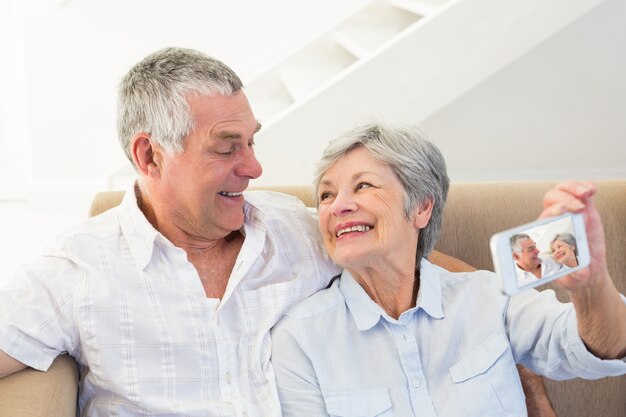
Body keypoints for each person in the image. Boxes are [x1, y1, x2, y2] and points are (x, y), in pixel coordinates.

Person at [0, 47, 555, 416]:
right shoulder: (76, 269)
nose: (254, 168)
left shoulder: (296, 230)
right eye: (226, 147)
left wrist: (524, 373)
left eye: (252, 141)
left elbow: (423, 273)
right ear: (149, 154)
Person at [270, 123, 626, 416]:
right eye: (326, 195)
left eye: (362, 186)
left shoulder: (488, 297)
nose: (338, 206)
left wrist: (591, 285)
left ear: (422, 208)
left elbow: (602, 351)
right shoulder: (299, 340)